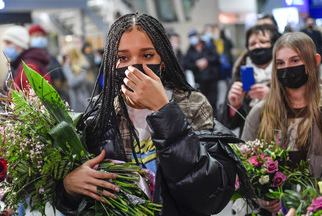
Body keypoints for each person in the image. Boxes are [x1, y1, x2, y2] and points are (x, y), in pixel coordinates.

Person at [54, 13, 253, 216]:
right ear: (111, 65)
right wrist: (68, 188)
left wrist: (163, 110)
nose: (133, 66)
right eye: (123, 57)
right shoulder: (100, 116)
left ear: (163, 60)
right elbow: (79, 203)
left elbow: (208, 197)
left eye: (147, 55)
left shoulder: (192, 105)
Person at [242, 32, 322, 214]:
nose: (287, 68)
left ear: (314, 61)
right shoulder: (260, 113)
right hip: (277, 209)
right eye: (280, 63)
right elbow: (243, 167)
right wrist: (259, 197)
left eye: (295, 61)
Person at [218, 24, 280, 136]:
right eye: (253, 43)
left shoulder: (284, 71)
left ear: (273, 45)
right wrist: (234, 106)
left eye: (262, 41)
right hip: (250, 143)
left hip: (281, 140)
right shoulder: (239, 75)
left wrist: (272, 98)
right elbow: (227, 124)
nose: (257, 46)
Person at [2, 25, 51, 91]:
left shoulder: (28, 67)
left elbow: (32, 98)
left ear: (20, 44)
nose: (5, 47)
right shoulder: (22, 64)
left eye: (9, 42)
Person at [183, 29, 220, 114]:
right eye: (190, 37)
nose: (193, 39)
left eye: (194, 36)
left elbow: (216, 57)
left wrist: (207, 61)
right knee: (203, 102)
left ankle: (216, 119)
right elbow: (187, 65)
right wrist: (197, 64)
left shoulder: (208, 46)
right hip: (200, 80)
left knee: (213, 101)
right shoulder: (189, 51)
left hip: (212, 78)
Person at [28, 25, 66, 99]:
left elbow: (60, 79)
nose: (40, 38)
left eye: (42, 36)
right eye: (36, 36)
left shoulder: (51, 58)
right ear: (29, 39)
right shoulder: (26, 58)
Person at [61, 44, 92, 112]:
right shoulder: (71, 67)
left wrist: (66, 68)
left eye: (67, 56)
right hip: (73, 104)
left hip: (82, 105)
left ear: (73, 55)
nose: (65, 59)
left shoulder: (83, 67)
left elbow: (72, 83)